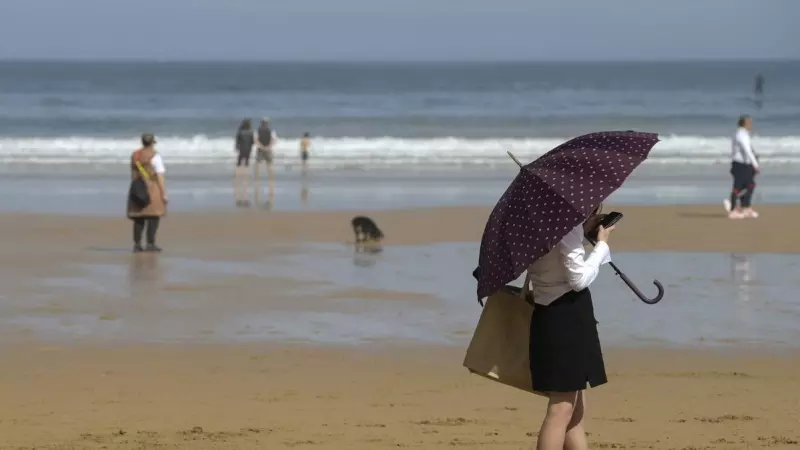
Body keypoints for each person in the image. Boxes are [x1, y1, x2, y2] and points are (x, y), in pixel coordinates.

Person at [526, 205, 614, 450]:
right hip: (566, 319)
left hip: (549, 315)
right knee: (562, 409)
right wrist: (602, 246)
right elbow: (578, 279)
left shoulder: (537, 224)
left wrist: (583, 232)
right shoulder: (566, 226)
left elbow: (557, 260)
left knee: (575, 409)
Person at [127, 133, 167, 252]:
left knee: (139, 218)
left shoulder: (135, 155)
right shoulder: (155, 156)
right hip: (152, 188)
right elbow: (160, 175)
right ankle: (150, 244)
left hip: (136, 187)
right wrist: (163, 192)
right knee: (153, 216)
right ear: (153, 143)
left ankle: (137, 244)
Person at [724, 115, 760, 219]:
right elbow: (747, 150)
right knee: (738, 187)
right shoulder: (740, 134)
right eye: (749, 122)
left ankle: (746, 207)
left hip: (746, 164)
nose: (751, 124)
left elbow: (750, 150)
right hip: (740, 165)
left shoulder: (744, 134)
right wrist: (755, 164)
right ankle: (732, 210)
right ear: (744, 123)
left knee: (750, 185)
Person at [234, 119, 255, 206]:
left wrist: (237, 147)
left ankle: (236, 177)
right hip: (248, 149)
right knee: (246, 163)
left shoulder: (240, 131)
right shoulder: (250, 132)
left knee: (239, 163)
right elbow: (252, 142)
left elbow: (237, 141)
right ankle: (245, 178)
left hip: (241, 149)